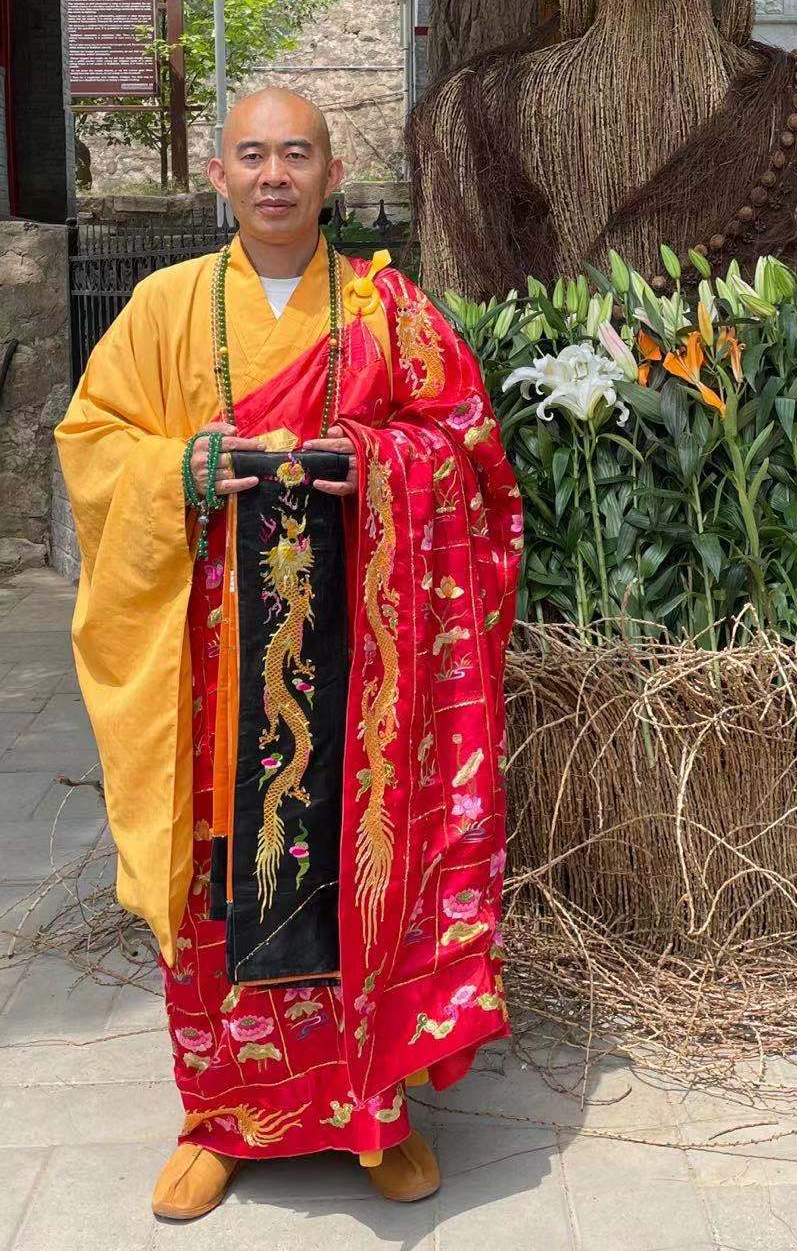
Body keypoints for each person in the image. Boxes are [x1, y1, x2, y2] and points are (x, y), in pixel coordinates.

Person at [56, 89, 522, 1222]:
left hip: (363, 667)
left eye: (295, 154)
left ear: (331, 171)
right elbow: (94, 438)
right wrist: (177, 472)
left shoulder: (385, 307)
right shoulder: (167, 306)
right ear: (217, 175)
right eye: (252, 155)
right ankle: (221, 1119)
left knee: (363, 865)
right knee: (225, 875)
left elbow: (463, 445)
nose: (274, 174)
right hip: (215, 664)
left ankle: (378, 1113)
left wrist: (379, 466)